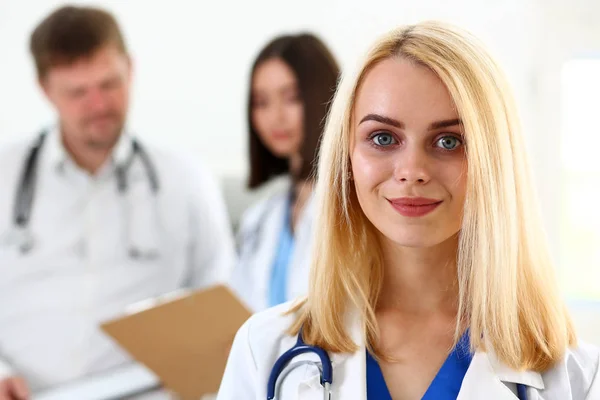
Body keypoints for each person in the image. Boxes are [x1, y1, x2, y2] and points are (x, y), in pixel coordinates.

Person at [217, 21, 600, 399]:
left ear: (495, 161)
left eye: (449, 141)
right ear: (346, 157)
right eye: (383, 138)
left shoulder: (578, 379)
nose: (412, 171)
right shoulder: (263, 351)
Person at [0, 5, 235, 398]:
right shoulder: (4, 176)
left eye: (109, 84)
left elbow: (223, 291)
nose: (98, 106)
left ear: (130, 68)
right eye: (77, 92)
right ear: (45, 89)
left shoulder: (186, 179)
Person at [230, 34, 340, 311]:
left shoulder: (351, 206)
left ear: (324, 97)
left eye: (291, 98)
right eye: (261, 102)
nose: (275, 116)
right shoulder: (260, 219)